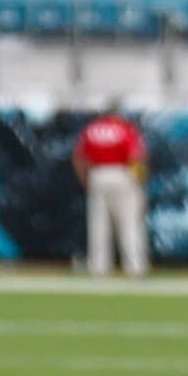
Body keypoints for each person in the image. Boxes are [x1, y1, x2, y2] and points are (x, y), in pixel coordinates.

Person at [75, 102, 148, 277]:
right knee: (129, 222)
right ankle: (134, 266)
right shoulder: (124, 128)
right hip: (122, 173)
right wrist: (139, 180)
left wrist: (85, 180)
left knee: (98, 224)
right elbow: (136, 156)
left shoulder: (91, 129)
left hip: (98, 173)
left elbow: (79, 157)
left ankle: (99, 266)